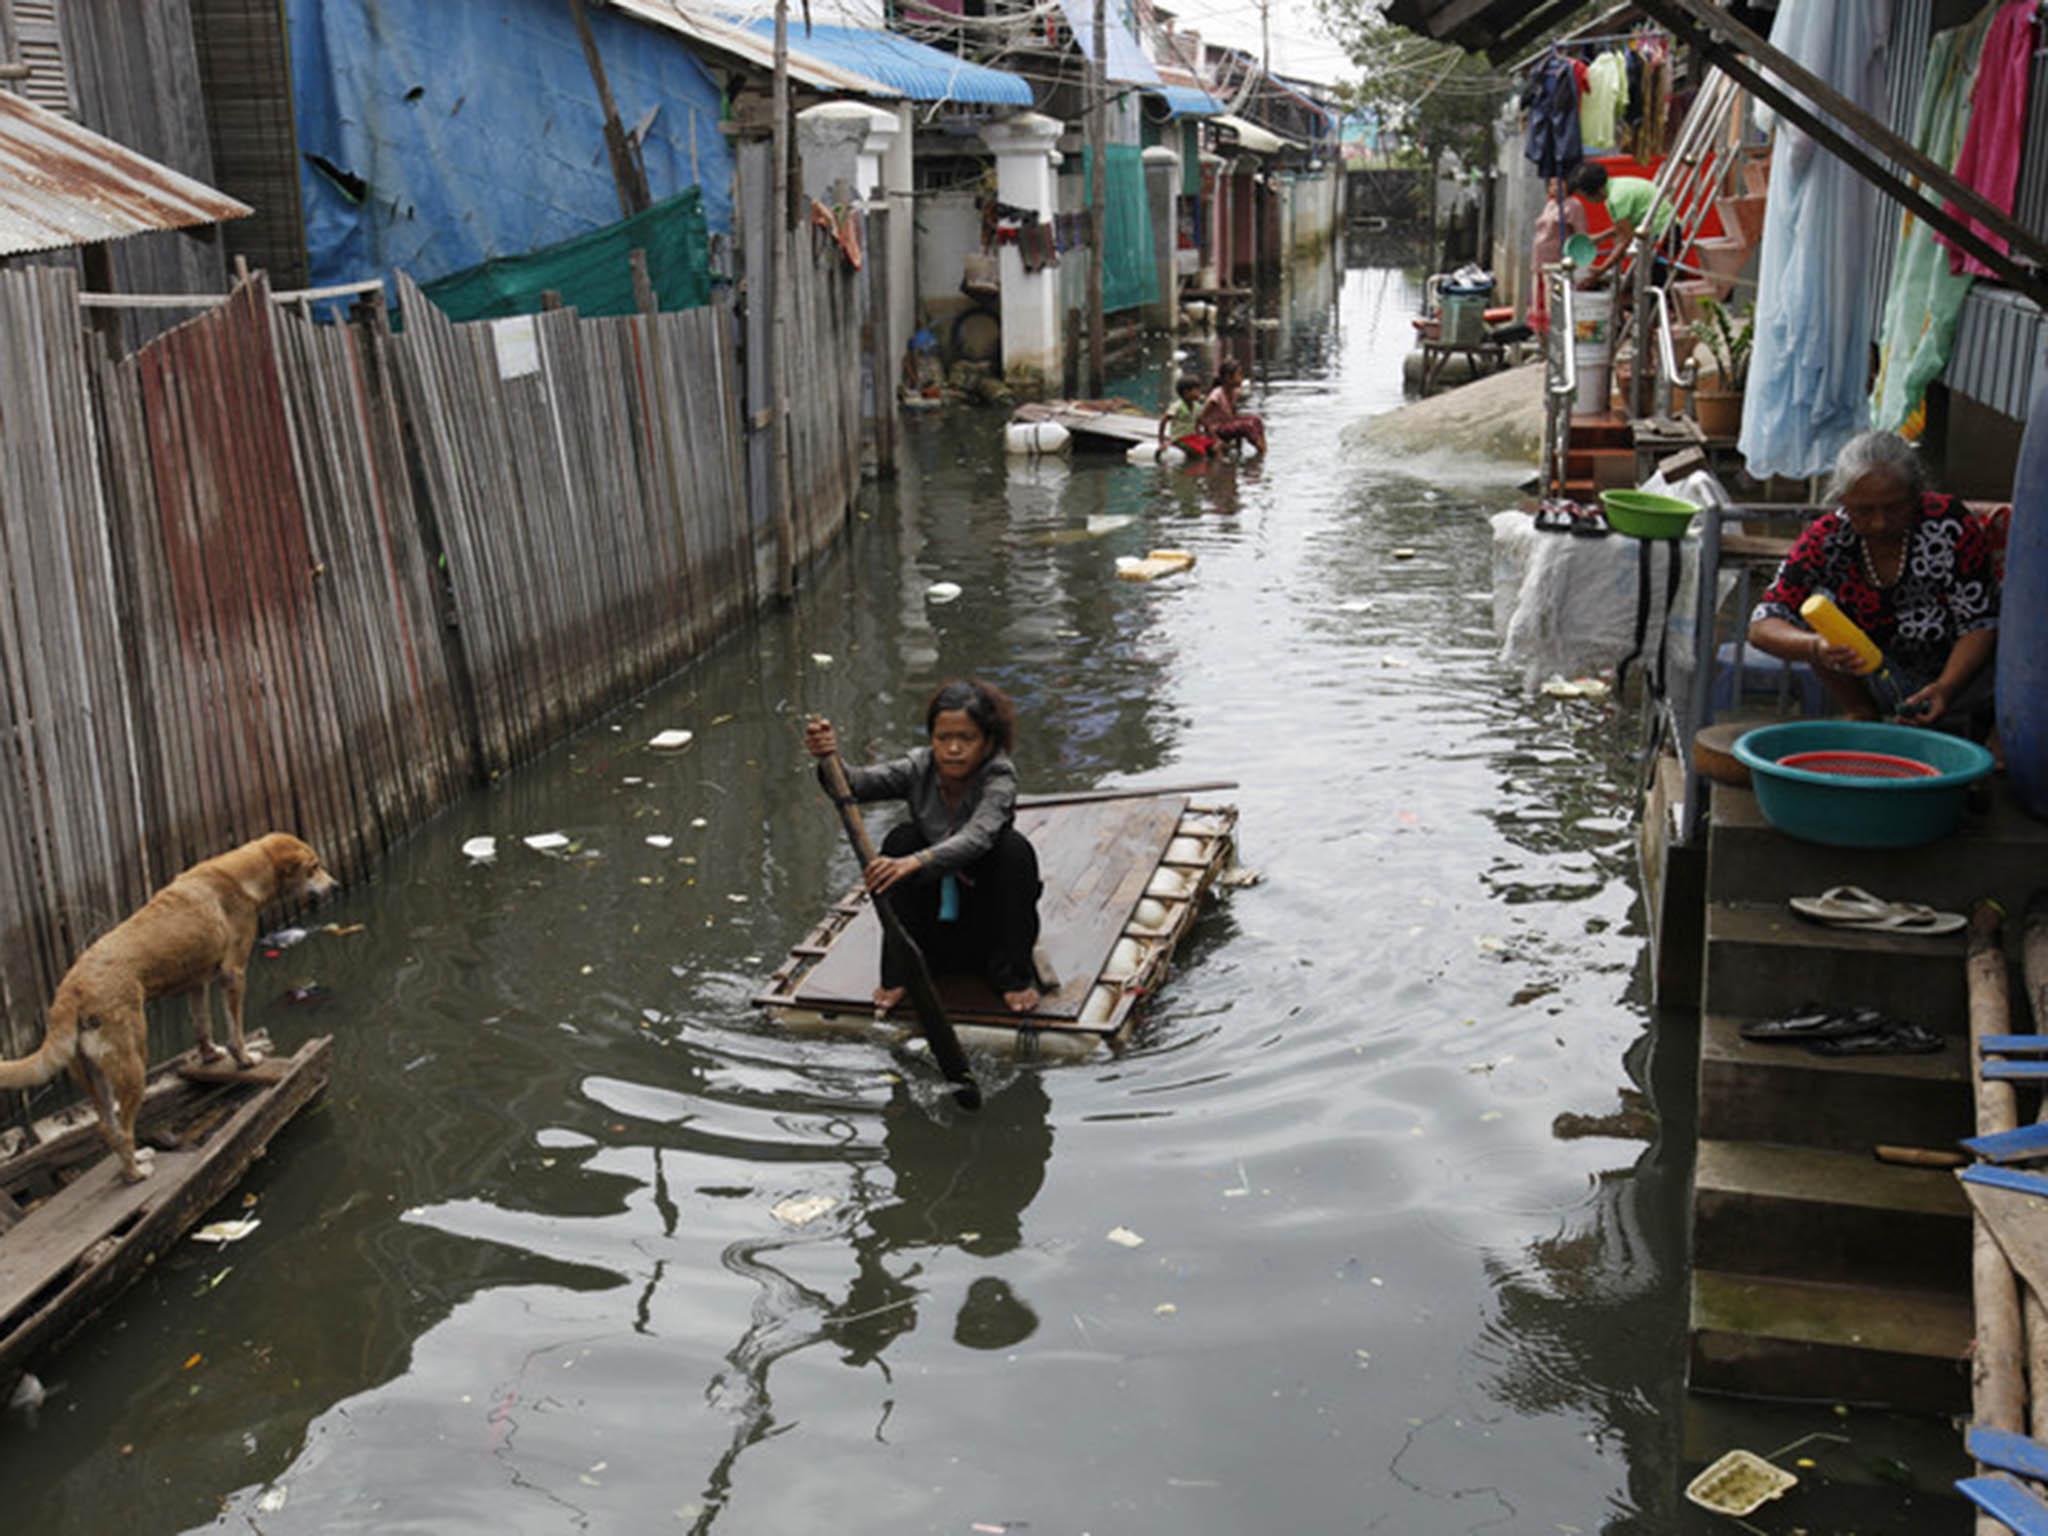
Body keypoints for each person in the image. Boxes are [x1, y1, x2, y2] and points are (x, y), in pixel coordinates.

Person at [804, 680, 1044, 1013]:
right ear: (932, 739)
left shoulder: (999, 777)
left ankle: (1013, 978)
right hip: (934, 924)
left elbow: (977, 836)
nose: (953, 749)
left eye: (966, 739)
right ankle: (900, 975)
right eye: (943, 738)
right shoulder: (920, 767)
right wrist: (829, 758)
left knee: (1015, 852)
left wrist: (917, 862)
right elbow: (855, 785)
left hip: (985, 919)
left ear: (988, 742)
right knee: (900, 840)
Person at [1747, 430, 1999, 733]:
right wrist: (1815, 646)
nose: (1879, 523)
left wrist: (1946, 687)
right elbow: (1763, 625)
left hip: (1961, 679)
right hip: (1875, 680)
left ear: (1917, 494)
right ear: (1843, 501)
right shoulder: (1828, 538)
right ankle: (1862, 713)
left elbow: (1979, 622)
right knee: (1815, 615)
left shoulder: (1949, 524)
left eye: (1894, 507)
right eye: (1864, 510)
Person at [1570, 162, 1677, 286]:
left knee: (1651, 285)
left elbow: (1626, 237)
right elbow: (1622, 227)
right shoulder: (1615, 187)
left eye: (1584, 196)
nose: (1586, 201)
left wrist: (1602, 268)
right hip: (1661, 229)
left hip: (1664, 233)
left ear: (1595, 191)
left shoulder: (1616, 199)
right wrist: (1599, 238)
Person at [1198, 358, 1266, 457]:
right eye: (1239, 374)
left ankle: (1262, 450)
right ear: (1227, 377)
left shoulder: (1234, 392)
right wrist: (1214, 438)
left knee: (1256, 420)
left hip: (1227, 425)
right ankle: (1260, 452)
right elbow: (1201, 418)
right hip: (1217, 429)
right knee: (1246, 425)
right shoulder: (1216, 395)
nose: (1242, 378)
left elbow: (1233, 413)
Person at [1158, 373, 1218, 458]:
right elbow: (1164, 421)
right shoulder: (1178, 406)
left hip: (1193, 438)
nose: (1200, 392)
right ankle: (1197, 470)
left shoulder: (1197, 406)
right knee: (1200, 453)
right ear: (1186, 392)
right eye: (1197, 390)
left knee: (1212, 447)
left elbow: (1203, 422)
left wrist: (1213, 438)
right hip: (1179, 439)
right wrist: (1162, 442)